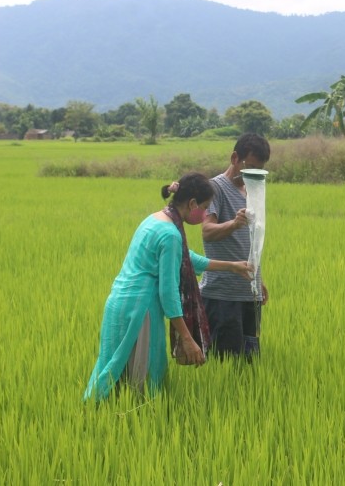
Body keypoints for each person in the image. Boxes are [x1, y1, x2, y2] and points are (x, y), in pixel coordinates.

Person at [84, 173, 252, 401]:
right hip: (140, 310)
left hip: (120, 303)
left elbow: (186, 257)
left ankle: (101, 416)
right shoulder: (170, 234)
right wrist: (187, 338)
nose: (204, 215)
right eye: (203, 208)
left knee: (113, 370)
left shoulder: (156, 219)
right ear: (192, 204)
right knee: (141, 381)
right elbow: (168, 292)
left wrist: (232, 266)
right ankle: (135, 426)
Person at [201, 133, 271, 359]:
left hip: (248, 293)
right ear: (234, 158)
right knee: (224, 364)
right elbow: (207, 231)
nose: (251, 175)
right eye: (248, 167)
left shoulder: (252, 191)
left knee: (248, 365)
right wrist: (233, 223)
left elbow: (250, 241)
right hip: (223, 295)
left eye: (257, 170)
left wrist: (259, 278)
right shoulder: (215, 188)